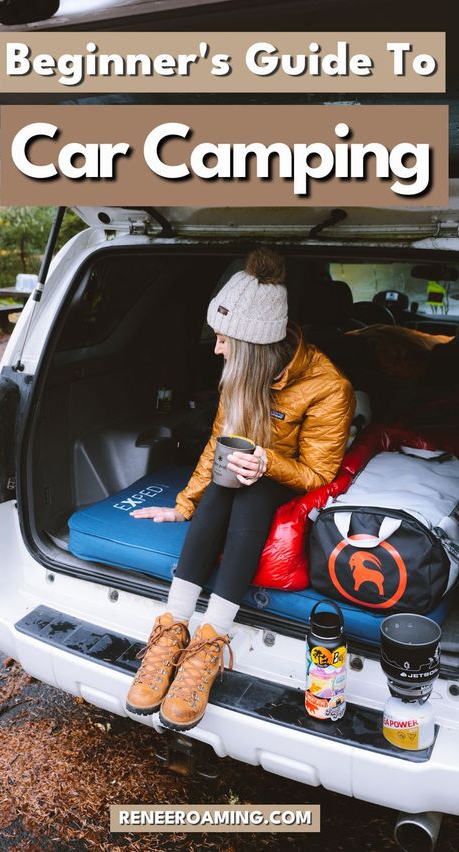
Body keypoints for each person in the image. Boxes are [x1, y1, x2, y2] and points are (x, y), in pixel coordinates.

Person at [126, 248, 355, 731]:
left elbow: (320, 473)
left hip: (290, 481)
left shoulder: (329, 386)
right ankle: (172, 629)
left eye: (223, 339)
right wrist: (184, 504)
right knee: (224, 487)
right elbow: (216, 443)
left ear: (252, 346)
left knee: (249, 492)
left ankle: (209, 644)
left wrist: (268, 462)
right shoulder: (240, 375)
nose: (215, 349)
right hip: (245, 474)